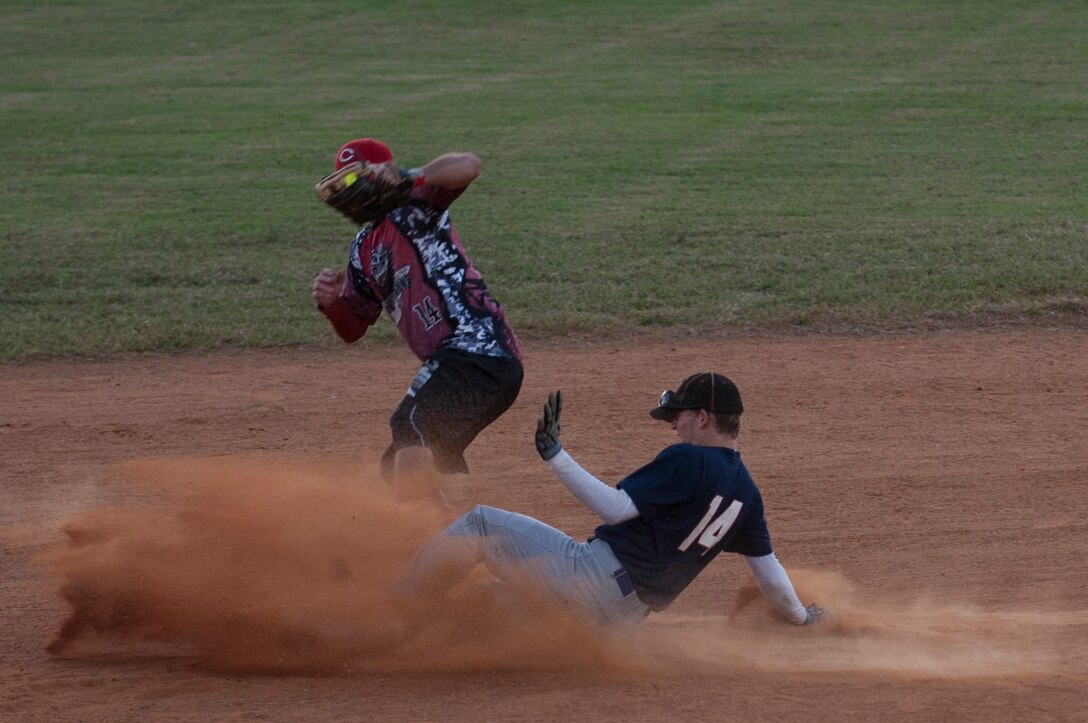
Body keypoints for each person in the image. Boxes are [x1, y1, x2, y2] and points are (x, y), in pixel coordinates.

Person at [397, 372, 826, 631]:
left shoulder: (691, 459)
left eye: (678, 417)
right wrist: (801, 619)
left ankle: (391, 607)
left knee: (481, 524)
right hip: (620, 623)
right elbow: (771, 578)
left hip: (591, 580)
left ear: (704, 418)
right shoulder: (748, 495)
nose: (674, 427)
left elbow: (616, 509)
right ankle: (425, 636)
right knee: (493, 598)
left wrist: (556, 456)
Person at [312, 138, 523, 489]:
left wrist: (412, 176)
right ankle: (448, 536)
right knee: (398, 462)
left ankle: (434, 538)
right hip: (460, 362)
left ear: (379, 175)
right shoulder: (363, 249)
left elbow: (469, 164)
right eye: (341, 183)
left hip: (479, 350)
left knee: (411, 428)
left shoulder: (421, 203)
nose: (346, 192)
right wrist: (332, 303)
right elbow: (353, 329)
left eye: (352, 179)